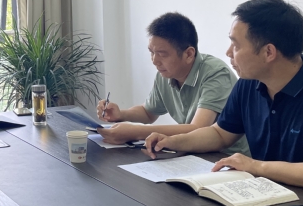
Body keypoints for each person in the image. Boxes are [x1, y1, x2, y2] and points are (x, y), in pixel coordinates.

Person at [144, 0, 303, 196]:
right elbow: (220, 134)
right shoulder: (248, 84)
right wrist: (173, 141)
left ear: (269, 52)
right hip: (271, 198)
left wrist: (256, 166)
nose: (228, 52)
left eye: (236, 45)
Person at [96, 12, 248, 155]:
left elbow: (198, 128)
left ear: (189, 54)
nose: (155, 61)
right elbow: (148, 112)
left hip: (225, 156)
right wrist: (121, 114)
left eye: (162, 54)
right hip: (191, 152)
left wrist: (136, 132)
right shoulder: (165, 74)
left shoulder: (216, 73)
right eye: (151, 52)